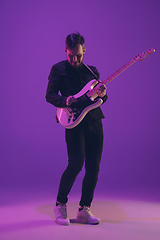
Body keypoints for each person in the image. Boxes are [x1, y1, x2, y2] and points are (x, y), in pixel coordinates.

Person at [46, 32, 108, 225]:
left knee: (93, 168)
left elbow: (100, 100)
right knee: (75, 164)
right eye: (70, 55)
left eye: (78, 55)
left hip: (94, 122)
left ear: (84, 51)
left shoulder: (92, 71)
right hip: (73, 122)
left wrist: (103, 94)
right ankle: (60, 203)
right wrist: (65, 100)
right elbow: (49, 95)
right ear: (65, 50)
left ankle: (84, 209)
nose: (74, 59)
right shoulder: (58, 69)